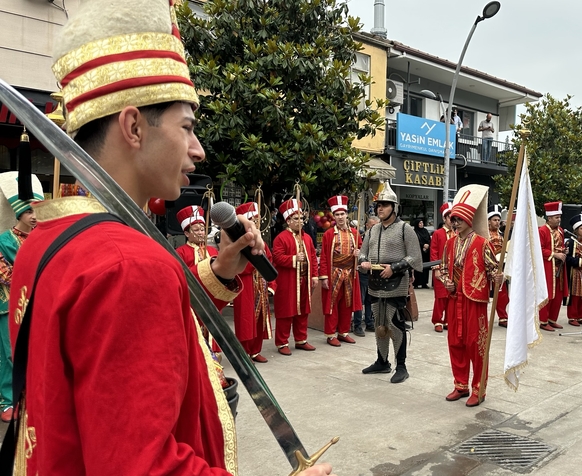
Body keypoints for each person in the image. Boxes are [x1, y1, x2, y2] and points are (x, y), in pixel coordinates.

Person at [5, 0, 341, 472]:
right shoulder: (130, 262)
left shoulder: (47, 239)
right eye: (187, 127)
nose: (198, 150)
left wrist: (222, 269)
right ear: (134, 126)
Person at [440, 185, 502, 407]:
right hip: (454, 298)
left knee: (476, 345)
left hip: (474, 300)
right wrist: (446, 281)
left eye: (458, 219)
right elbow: (444, 268)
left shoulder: (482, 243)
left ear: (468, 219)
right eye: (453, 219)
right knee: (455, 342)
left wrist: (498, 277)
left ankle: (479, 389)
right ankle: (460, 385)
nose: (454, 223)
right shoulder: (449, 243)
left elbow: (492, 268)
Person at [359, 182, 422, 384]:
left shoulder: (405, 229)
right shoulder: (372, 230)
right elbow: (362, 252)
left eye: (385, 205)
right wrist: (363, 262)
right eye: (379, 205)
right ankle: (382, 361)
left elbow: (414, 258)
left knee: (395, 324)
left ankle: (401, 366)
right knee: (379, 323)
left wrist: (393, 268)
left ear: (394, 207)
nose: (380, 208)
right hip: (375, 282)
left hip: (396, 282)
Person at [0, 172, 42, 423]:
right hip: (9, 304)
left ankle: (29, 395)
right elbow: (4, 273)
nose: (34, 216)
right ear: (18, 213)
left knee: (35, 351)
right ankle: (7, 398)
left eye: (37, 210)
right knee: (9, 352)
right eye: (28, 211)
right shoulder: (4, 240)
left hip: (39, 303)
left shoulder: (45, 238)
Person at [272, 199, 319, 355]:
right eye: (296, 219)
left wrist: (315, 276)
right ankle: (282, 342)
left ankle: (301, 339)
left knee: (303, 311)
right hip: (288, 281)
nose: (300, 221)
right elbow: (277, 257)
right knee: (286, 312)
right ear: (288, 221)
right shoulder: (281, 238)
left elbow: (312, 256)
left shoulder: (307, 238)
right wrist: (293, 259)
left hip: (304, 280)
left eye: (301, 218)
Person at [175, 204, 222, 352]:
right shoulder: (181, 252)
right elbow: (179, 274)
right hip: (192, 297)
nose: (201, 233)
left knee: (214, 327)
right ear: (187, 233)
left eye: (202, 229)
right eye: (196, 230)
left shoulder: (213, 250)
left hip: (212, 296)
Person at [232, 201, 275, 362]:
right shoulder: (238, 245)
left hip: (260, 286)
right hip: (246, 286)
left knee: (259, 319)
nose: (256, 223)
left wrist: (271, 284)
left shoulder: (261, 242)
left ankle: (255, 351)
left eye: (257, 220)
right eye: (253, 220)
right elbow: (238, 267)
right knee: (245, 320)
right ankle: (243, 353)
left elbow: (270, 262)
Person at [318, 195, 361, 347]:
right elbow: (323, 256)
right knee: (332, 304)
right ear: (334, 216)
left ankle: (343, 332)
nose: (340, 217)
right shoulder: (329, 234)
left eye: (342, 214)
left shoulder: (355, 233)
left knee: (347, 304)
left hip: (350, 273)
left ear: (347, 215)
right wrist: (323, 277)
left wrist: (359, 253)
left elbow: (362, 251)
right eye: (337, 214)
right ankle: (330, 335)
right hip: (334, 272)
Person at [538, 201, 568, 331]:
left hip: (560, 267)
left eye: (559, 217)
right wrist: (555, 254)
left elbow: (560, 246)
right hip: (547, 266)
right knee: (547, 293)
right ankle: (543, 321)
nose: (559, 220)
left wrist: (563, 251)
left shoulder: (560, 231)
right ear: (549, 218)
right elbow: (539, 249)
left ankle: (552, 319)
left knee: (558, 294)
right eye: (556, 217)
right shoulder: (542, 231)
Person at [352, 215, 379, 336]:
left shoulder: (380, 238)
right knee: (360, 299)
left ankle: (369, 322)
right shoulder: (361, 238)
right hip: (362, 272)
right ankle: (357, 324)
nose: (375, 228)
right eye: (372, 225)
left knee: (370, 299)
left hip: (374, 272)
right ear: (367, 225)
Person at [430, 203, 455, 332]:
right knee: (441, 296)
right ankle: (437, 320)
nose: (453, 221)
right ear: (445, 219)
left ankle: (448, 320)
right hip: (441, 269)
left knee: (451, 296)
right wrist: (436, 269)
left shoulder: (457, 233)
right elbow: (433, 252)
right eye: (450, 217)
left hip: (453, 270)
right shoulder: (438, 233)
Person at [487, 204, 510, 327]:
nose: (497, 222)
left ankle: (503, 317)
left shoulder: (501, 234)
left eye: (498, 220)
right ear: (489, 221)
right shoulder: (484, 234)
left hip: (500, 266)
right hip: (487, 267)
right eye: (494, 220)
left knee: (502, 294)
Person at [413, 217, 431, 288]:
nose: (421, 224)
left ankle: (424, 283)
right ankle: (416, 283)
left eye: (422, 223)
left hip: (426, 252)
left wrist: (427, 245)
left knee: (425, 267)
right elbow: (414, 241)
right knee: (418, 267)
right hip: (418, 251)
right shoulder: (414, 232)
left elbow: (429, 239)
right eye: (420, 223)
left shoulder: (425, 231)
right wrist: (422, 245)